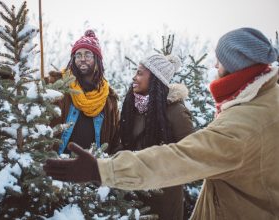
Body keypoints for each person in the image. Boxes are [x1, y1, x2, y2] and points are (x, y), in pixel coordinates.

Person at [43, 28, 279, 219]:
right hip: (135, 188)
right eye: (78, 55)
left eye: (220, 61)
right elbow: (118, 140)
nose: (215, 67)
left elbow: (184, 155)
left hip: (162, 192)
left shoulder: (239, 124)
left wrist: (103, 169)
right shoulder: (263, 100)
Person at [118, 54, 194, 219]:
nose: (134, 77)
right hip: (133, 196)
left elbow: (192, 153)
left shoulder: (176, 112)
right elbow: (121, 143)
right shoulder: (131, 108)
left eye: (139, 73)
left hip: (164, 199)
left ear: (155, 79)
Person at [49, 30, 119, 155]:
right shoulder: (59, 86)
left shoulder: (108, 98)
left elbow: (115, 138)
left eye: (87, 55)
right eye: (78, 55)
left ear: (97, 59)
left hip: (94, 166)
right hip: (61, 163)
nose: (82, 59)